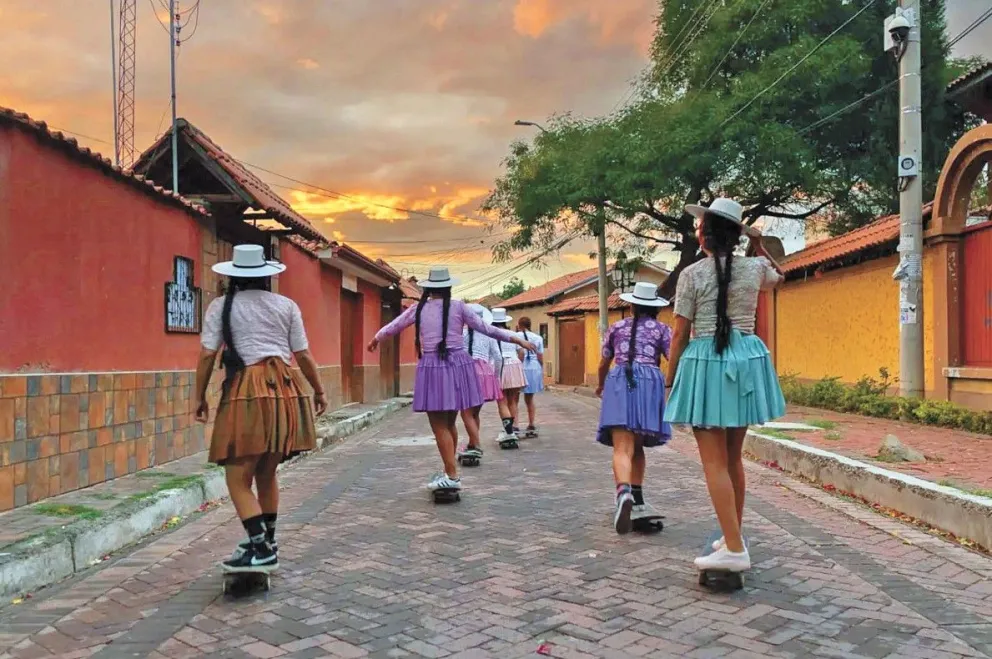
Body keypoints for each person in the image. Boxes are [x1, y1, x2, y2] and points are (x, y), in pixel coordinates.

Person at [664, 198, 786, 574]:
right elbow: (780, 275)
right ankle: (732, 536)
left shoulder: (691, 275)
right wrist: (759, 247)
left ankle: (733, 549)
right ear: (736, 237)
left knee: (714, 462)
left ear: (704, 236)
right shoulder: (755, 268)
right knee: (733, 458)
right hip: (746, 359)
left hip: (706, 362)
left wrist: (670, 380)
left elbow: (680, 333)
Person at [194, 244, 327, 574]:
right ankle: (268, 541)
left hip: (247, 391)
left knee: (237, 478)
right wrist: (319, 391)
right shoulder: (286, 305)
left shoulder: (222, 306)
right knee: (266, 473)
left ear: (234, 277)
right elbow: (303, 354)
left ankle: (261, 549)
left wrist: (199, 397)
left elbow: (208, 355)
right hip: (285, 390)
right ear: (267, 276)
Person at [368, 268, 535, 491]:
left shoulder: (419, 309)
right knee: (449, 422)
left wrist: (376, 339)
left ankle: (452, 476)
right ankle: (449, 472)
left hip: (433, 366)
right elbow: (488, 329)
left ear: (428, 289)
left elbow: (394, 326)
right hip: (458, 365)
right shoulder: (459, 307)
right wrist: (517, 339)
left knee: (439, 425)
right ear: (448, 288)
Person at [595, 282, 672, 534]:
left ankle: (624, 493)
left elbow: (603, 362)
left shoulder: (616, 327)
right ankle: (636, 498)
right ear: (656, 309)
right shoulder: (663, 329)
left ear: (631, 306)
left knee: (622, 446)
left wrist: (600, 385)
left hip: (620, 379)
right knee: (637, 445)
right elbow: (674, 358)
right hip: (650, 382)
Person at [456, 304, 510, 463]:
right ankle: (472, 443)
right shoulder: (488, 334)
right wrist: (495, 376)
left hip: (467, 371)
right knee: (475, 413)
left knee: (465, 413)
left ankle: (477, 444)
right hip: (485, 372)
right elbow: (498, 357)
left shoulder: (461, 334)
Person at [491, 308, 526, 441]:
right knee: (513, 399)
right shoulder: (513, 334)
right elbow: (521, 352)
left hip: (499, 366)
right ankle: (515, 426)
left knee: (502, 400)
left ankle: (508, 430)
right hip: (514, 364)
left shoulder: (491, 334)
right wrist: (518, 364)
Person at [517, 317, 545, 438]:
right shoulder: (538, 338)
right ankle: (531, 424)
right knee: (529, 399)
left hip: (519, 367)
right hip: (534, 367)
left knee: (514, 399)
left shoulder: (515, 336)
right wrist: (541, 368)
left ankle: (515, 425)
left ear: (519, 325)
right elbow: (540, 356)